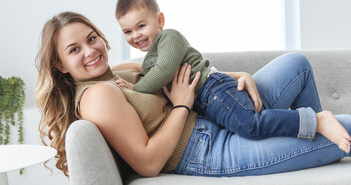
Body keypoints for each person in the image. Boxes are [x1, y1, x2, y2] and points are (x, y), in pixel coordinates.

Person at [36, 11, 351, 178]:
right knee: (347, 126)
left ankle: (313, 143)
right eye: (74, 50)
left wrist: (239, 75)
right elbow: (147, 163)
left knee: (297, 64)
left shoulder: (122, 71)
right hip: (208, 150)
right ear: (60, 65)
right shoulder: (97, 96)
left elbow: (186, 75)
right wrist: (181, 107)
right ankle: (316, 130)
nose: (90, 51)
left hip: (222, 115)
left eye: (92, 39)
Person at [114, 0, 351, 150]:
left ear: (160, 20)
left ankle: (318, 121)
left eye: (141, 26)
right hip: (211, 99)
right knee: (252, 125)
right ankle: (323, 140)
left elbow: (164, 70)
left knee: (251, 125)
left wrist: (135, 88)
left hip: (213, 90)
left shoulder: (169, 38)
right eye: (127, 31)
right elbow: (144, 69)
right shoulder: (149, 60)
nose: (135, 35)